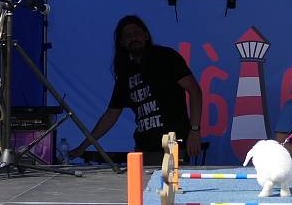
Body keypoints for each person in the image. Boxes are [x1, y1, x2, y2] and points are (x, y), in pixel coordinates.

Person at [69, 15, 202, 166]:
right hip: (144, 148)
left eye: (136, 33)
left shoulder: (166, 57)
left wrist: (195, 130)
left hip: (173, 144)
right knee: (145, 189)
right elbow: (111, 115)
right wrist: (83, 146)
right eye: (127, 35)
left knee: (169, 188)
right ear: (122, 43)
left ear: (146, 36)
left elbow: (194, 90)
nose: (133, 37)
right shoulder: (126, 74)